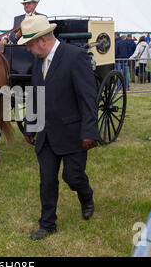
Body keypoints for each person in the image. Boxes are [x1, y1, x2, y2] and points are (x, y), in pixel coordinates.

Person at [18, 15, 99, 240]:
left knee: (73, 177)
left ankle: (86, 196)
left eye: (30, 45)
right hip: (46, 133)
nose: (29, 50)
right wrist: (30, 126)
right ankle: (47, 224)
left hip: (72, 133)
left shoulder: (75, 57)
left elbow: (88, 98)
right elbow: (34, 95)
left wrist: (89, 131)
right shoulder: (38, 60)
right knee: (47, 179)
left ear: (43, 40)